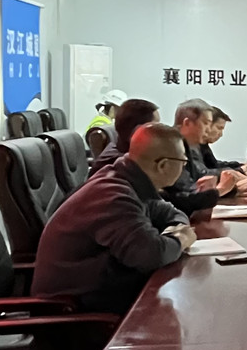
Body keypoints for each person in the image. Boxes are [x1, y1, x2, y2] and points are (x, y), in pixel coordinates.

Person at [32, 123, 197, 314]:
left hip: (100, 296)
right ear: (163, 165)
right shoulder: (114, 196)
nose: (184, 168)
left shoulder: (129, 181)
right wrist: (180, 239)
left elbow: (173, 214)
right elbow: (150, 255)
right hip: (73, 312)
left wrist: (175, 231)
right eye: (183, 162)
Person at [167, 99, 247, 214]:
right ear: (187, 123)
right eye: (205, 123)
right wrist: (222, 189)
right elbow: (182, 198)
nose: (209, 130)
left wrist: (232, 189)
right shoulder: (170, 147)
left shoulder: (185, 144)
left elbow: (193, 187)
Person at [89, 98, 159, 178]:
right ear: (139, 130)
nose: (159, 131)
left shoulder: (125, 154)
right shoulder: (120, 166)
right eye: (156, 127)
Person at [202, 106, 247, 174]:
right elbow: (202, 174)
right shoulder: (192, 146)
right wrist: (240, 170)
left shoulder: (203, 145)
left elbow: (213, 165)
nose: (221, 134)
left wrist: (239, 165)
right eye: (219, 128)